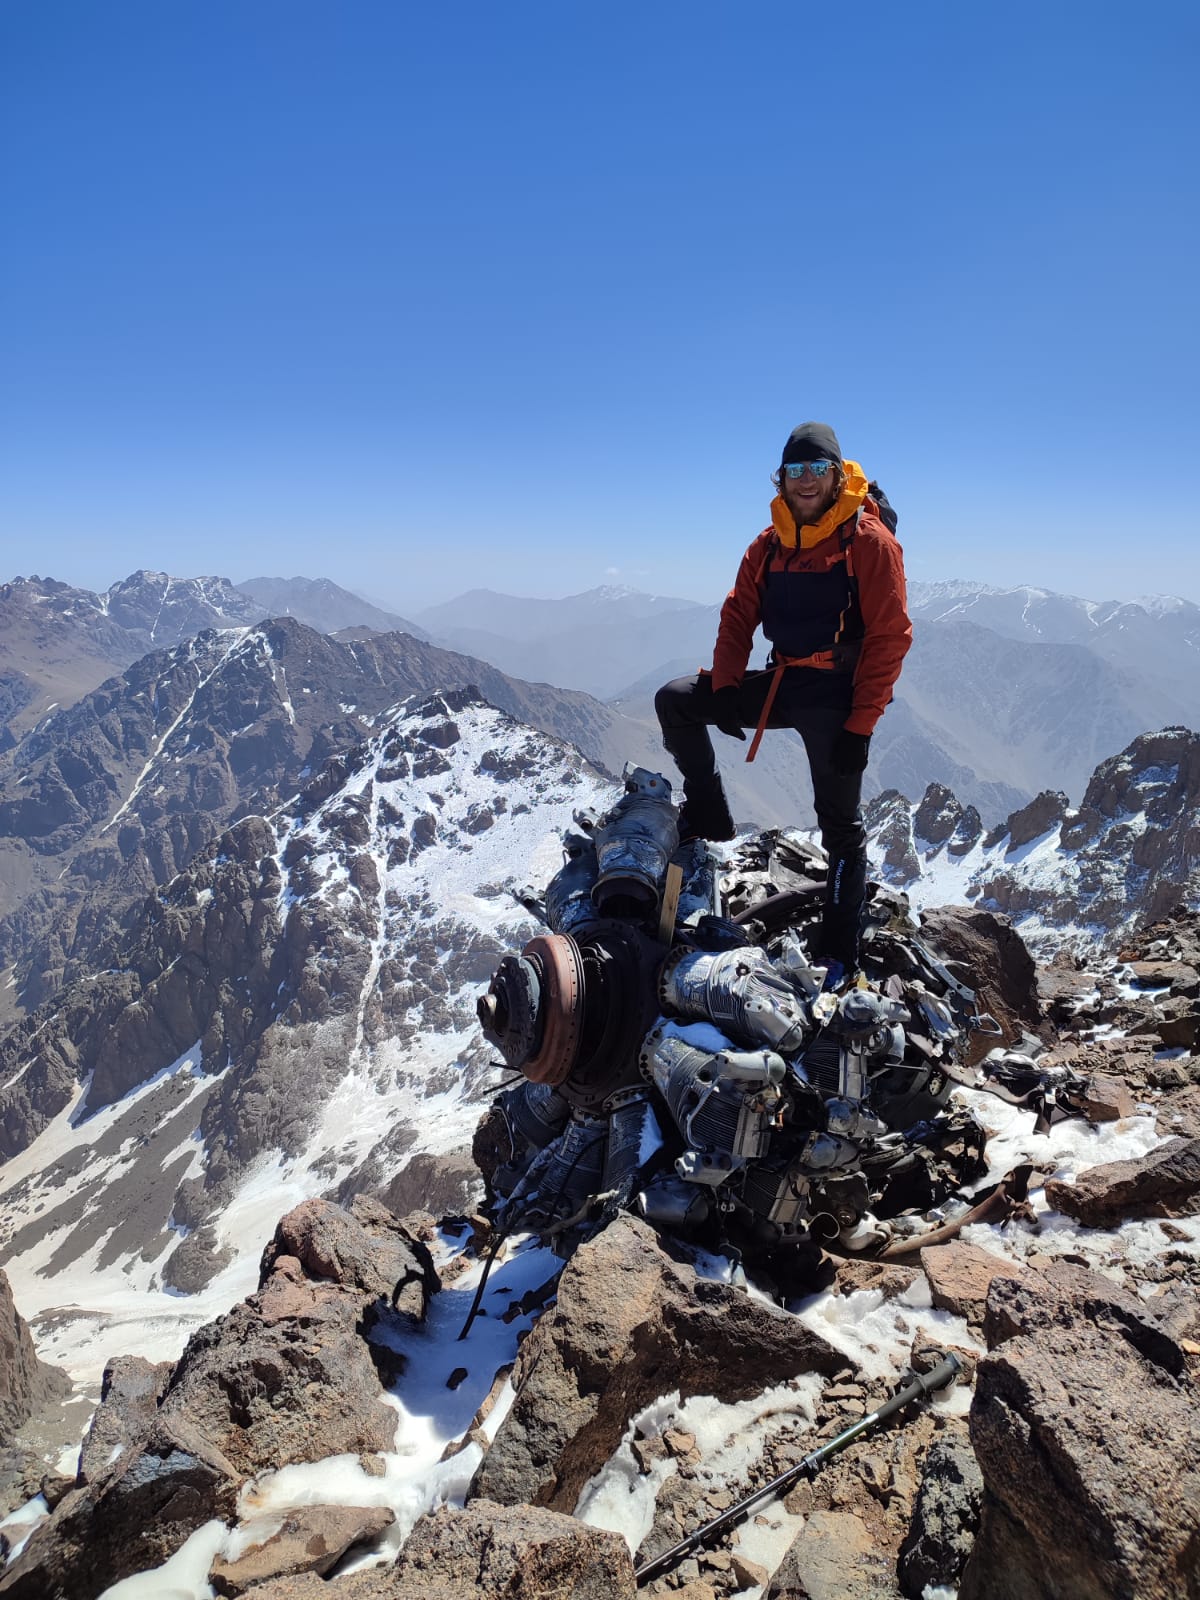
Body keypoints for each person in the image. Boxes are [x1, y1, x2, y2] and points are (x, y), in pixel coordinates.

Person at [655, 421, 912, 979]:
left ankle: (840, 947)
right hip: (782, 683)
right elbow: (738, 614)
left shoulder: (868, 543)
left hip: (836, 695)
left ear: (837, 474)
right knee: (676, 701)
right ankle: (710, 810)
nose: (805, 481)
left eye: (817, 469)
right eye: (795, 470)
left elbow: (890, 638)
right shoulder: (768, 545)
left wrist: (860, 727)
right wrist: (724, 688)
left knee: (839, 824)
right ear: (782, 478)